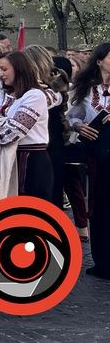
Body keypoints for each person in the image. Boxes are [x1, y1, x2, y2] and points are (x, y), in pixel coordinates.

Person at [68, 42, 110, 279]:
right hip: (97, 153)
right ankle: (102, 260)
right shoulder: (87, 88)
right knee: (99, 204)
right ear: (99, 61)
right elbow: (73, 115)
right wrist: (79, 126)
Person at [0, 51, 51, 200]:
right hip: (8, 157)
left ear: (19, 69)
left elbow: (11, 133)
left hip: (30, 159)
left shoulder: (35, 96)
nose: (0, 74)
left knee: (29, 205)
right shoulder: (2, 95)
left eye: (4, 69)